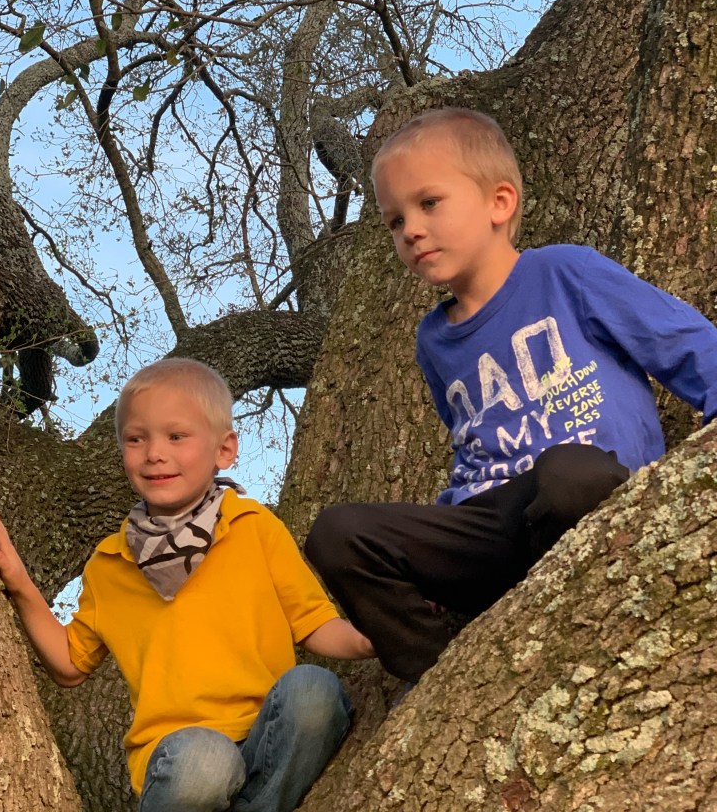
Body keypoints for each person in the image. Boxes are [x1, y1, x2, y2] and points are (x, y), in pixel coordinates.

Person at [305, 106, 717, 686]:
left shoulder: (565, 272)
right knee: (335, 533)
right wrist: (439, 542)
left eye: (429, 203)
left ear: (499, 203)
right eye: (394, 220)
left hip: (587, 494)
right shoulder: (433, 340)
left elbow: (680, 341)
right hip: (491, 527)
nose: (411, 230)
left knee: (571, 474)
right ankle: (435, 672)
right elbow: (472, 442)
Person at [0, 358, 374, 812]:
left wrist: (369, 638)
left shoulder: (254, 528)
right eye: (135, 439)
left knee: (315, 689)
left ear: (224, 450)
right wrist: (20, 585)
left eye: (176, 436)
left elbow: (315, 624)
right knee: (203, 760)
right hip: (181, 761)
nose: (154, 454)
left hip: (264, 742)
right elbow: (68, 664)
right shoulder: (111, 563)